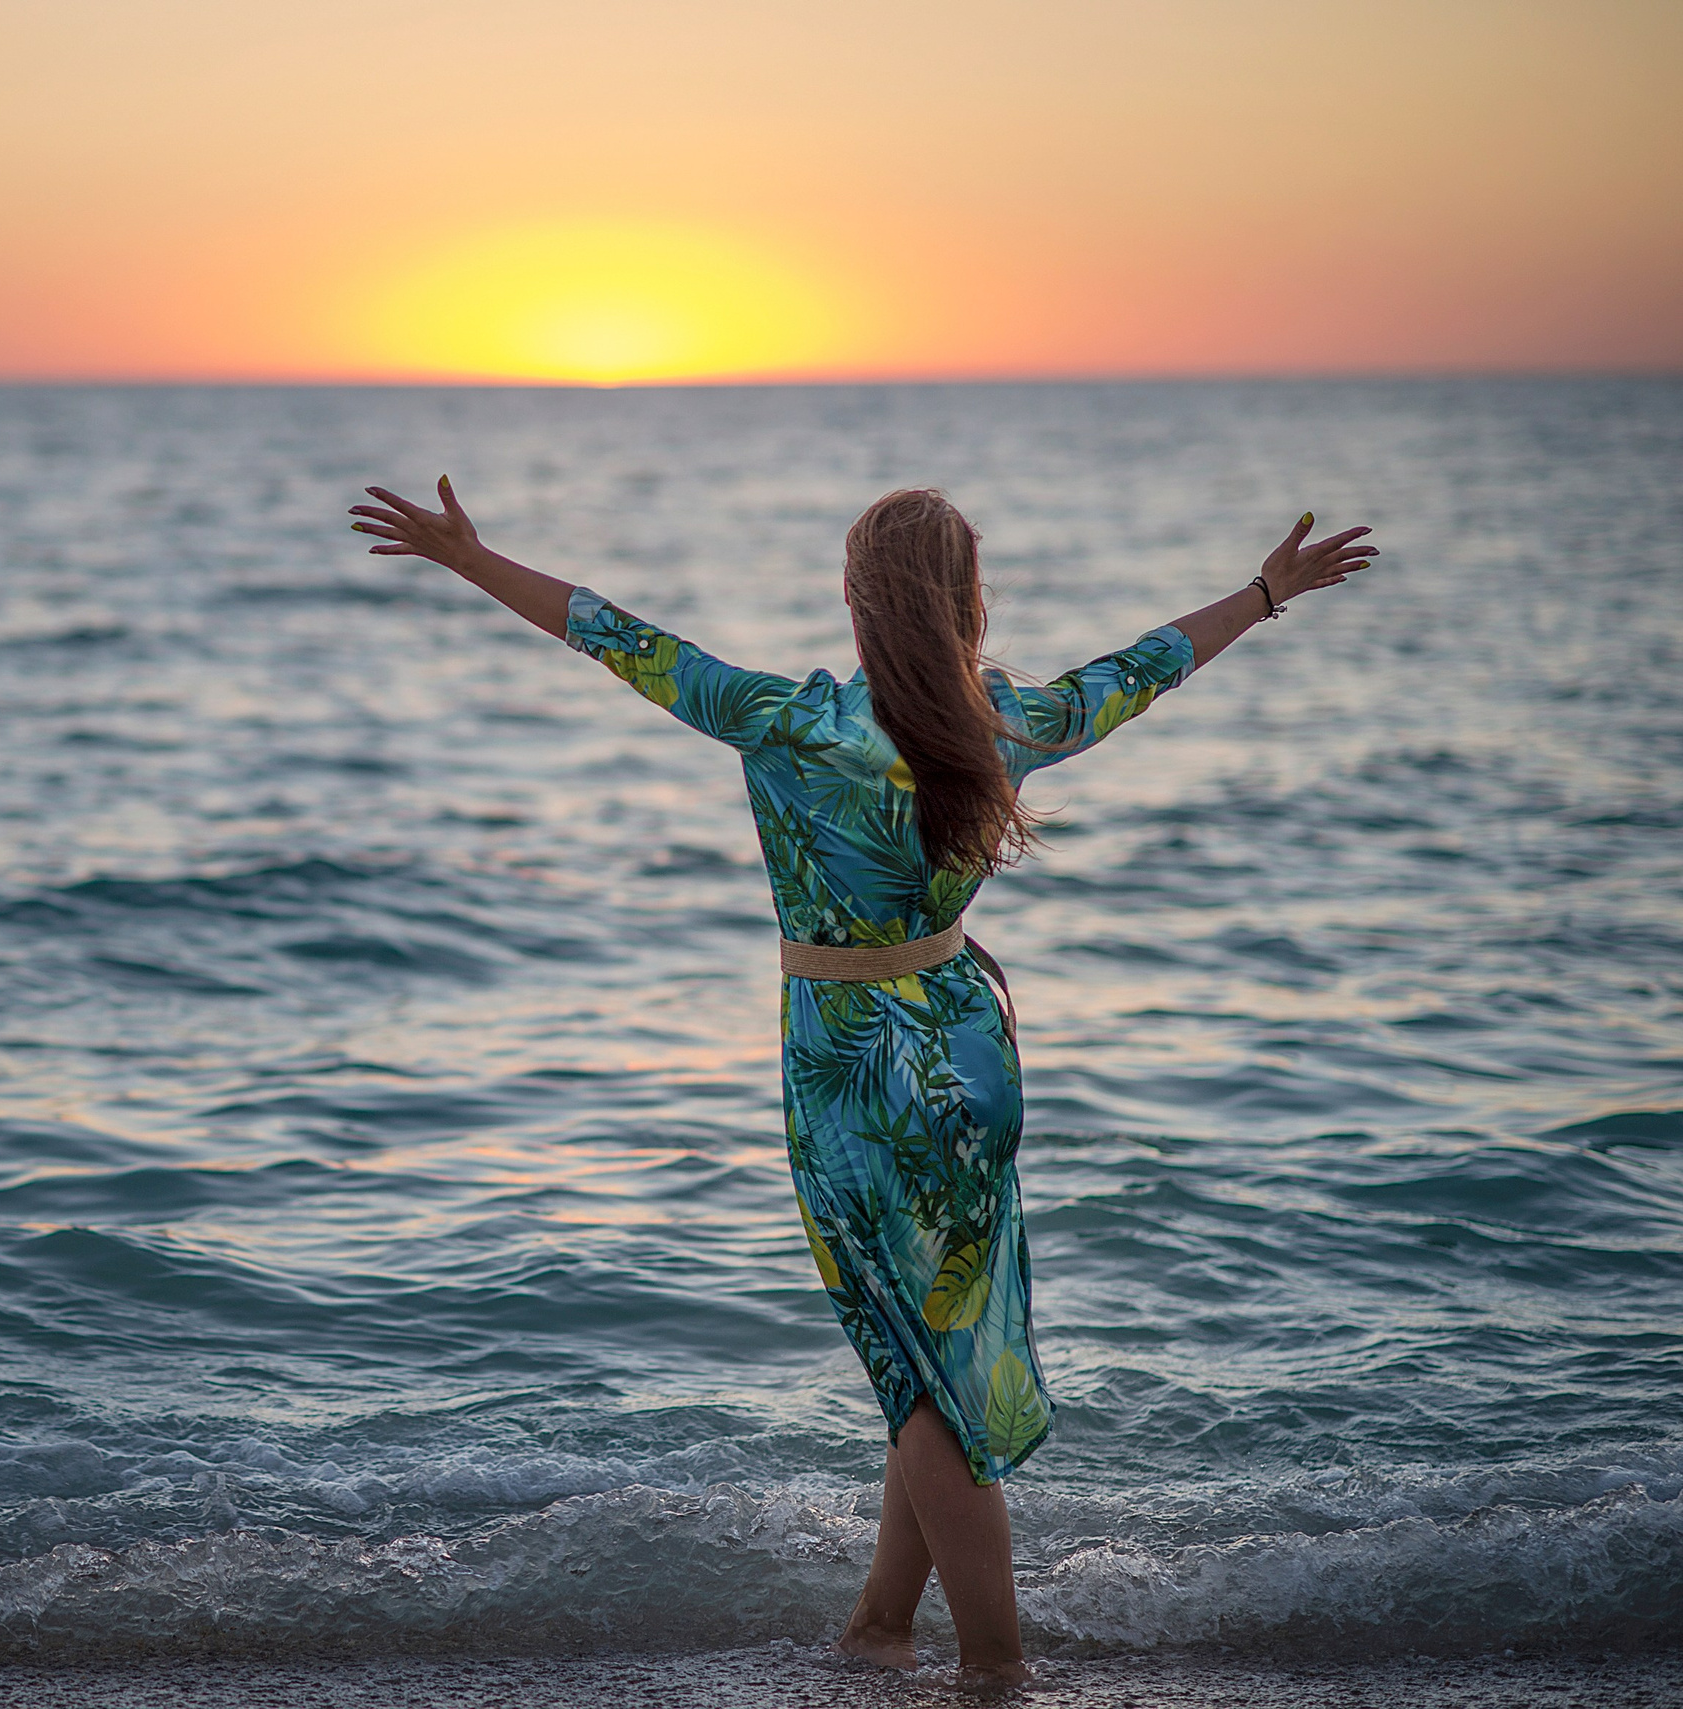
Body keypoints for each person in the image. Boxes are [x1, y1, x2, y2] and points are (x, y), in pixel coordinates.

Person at [347, 477, 1375, 1686]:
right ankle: (881, 1623)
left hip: (852, 1080)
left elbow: (614, 632)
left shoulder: (787, 719)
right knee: (924, 1349)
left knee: (912, 1367)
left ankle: (995, 1664)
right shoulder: (1006, 721)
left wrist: (469, 560)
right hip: (966, 1059)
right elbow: (1142, 668)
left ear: (857, 599)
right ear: (964, 601)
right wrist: (1262, 593)